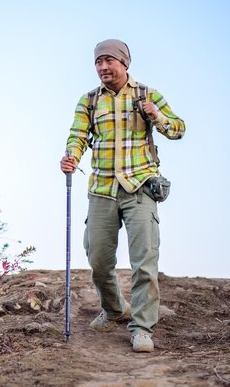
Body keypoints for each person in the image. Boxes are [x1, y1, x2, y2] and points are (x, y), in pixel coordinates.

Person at [59, 39, 185, 353]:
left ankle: (141, 328)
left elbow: (178, 129)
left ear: (123, 63)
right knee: (98, 259)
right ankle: (115, 308)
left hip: (140, 187)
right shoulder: (88, 101)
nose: (103, 67)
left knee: (145, 262)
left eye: (109, 61)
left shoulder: (147, 95)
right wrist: (71, 156)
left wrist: (156, 115)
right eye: (98, 62)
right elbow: (77, 136)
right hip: (101, 189)